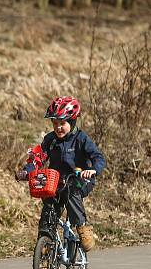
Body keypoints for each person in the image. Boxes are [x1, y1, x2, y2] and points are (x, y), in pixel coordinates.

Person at [16, 96, 106, 252]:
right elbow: (38, 158)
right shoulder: (50, 139)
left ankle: (83, 227)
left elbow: (98, 157)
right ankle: (45, 245)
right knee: (49, 208)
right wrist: (27, 171)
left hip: (79, 179)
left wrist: (93, 170)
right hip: (55, 182)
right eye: (55, 123)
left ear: (72, 122)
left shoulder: (81, 139)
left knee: (71, 192)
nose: (58, 128)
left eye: (62, 123)